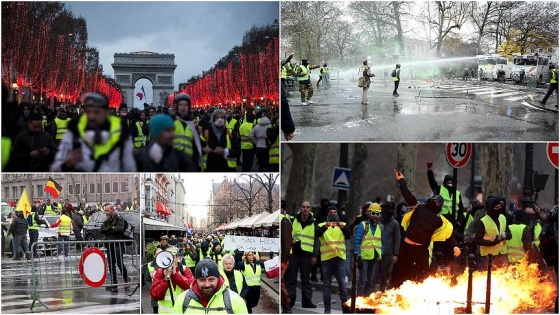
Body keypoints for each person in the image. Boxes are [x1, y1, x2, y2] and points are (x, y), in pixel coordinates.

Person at [392, 168, 460, 287]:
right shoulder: (427, 213)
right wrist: (401, 179)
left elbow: (448, 233)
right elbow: (449, 233)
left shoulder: (431, 215)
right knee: (411, 276)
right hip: (413, 248)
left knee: (416, 277)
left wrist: (401, 179)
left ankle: (411, 296)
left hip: (416, 249)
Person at [50, 92, 136, 172]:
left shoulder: (122, 133)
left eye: (96, 112)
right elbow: (55, 168)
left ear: (106, 113)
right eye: (88, 112)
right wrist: (67, 164)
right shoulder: (73, 132)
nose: (91, 116)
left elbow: (130, 169)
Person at [172, 259, 248, 314]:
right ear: (196, 280)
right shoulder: (182, 300)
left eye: (211, 280)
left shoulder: (236, 301)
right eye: (202, 280)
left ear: (218, 278)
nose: (207, 284)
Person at [285, 201, 319, 309]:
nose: (305, 209)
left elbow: (317, 240)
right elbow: (288, 234)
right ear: (301, 208)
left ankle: (307, 301)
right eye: (303, 207)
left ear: (310, 209)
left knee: (306, 279)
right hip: (294, 254)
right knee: (291, 279)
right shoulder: (294, 220)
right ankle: (290, 300)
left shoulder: (314, 223)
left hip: (307, 255)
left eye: (307, 207)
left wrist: (315, 255)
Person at [316, 206, 349, 314]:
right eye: (331, 212)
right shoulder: (322, 225)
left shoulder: (342, 226)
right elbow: (317, 234)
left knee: (342, 284)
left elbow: (348, 235)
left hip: (339, 257)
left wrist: (342, 227)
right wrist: (325, 226)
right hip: (327, 259)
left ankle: (345, 307)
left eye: (335, 211)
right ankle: (327, 309)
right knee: (327, 284)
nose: (333, 213)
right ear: (327, 214)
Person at [150, 246, 195, 314]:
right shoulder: (160, 272)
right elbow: (155, 295)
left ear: (177, 258)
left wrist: (175, 274)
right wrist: (165, 280)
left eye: (173, 257)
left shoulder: (185, 270)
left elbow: (192, 287)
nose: (171, 260)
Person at [354, 203, 383, 296]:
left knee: (371, 281)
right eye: (373, 213)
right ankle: (359, 300)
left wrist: (381, 253)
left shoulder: (380, 227)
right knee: (363, 280)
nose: (375, 216)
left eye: (377, 214)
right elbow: (357, 241)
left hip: (375, 257)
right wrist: (358, 256)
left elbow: (382, 242)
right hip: (364, 257)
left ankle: (366, 301)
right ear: (369, 213)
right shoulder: (363, 225)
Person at [474, 197, 512, 268]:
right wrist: (491, 242)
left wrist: (507, 235)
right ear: (490, 208)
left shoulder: (503, 217)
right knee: (489, 277)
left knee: (505, 276)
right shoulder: (483, 221)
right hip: (489, 257)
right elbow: (477, 240)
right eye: (496, 207)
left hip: (502, 254)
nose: (499, 209)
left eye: (500, 207)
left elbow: (508, 232)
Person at [100, 204, 130, 292]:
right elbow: (101, 230)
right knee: (111, 264)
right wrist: (111, 228)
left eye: (107, 211)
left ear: (112, 210)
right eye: (105, 211)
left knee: (120, 263)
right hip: (109, 245)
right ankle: (114, 283)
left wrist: (109, 230)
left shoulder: (119, 218)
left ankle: (126, 281)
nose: (106, 213)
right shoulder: (107, 221)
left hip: (118, 244)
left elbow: (119, 229)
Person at [172, 93, 203, 170]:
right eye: (181, 105)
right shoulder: (171, 122)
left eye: (186, 105)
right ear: (176, 107)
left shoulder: (192, 125)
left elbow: (196, 146)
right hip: (174, 161)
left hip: (188, 162)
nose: (183, 107)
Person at [378, 202, 401, 291]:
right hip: (376, 251)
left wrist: (396, 254)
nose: (386, 211)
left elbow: (397, 239)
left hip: (388, 253)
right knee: (373, 275)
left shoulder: (394, 223)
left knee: (385, 275)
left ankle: (382, 292)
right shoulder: (377, 222)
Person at [281, 200, 294, 313]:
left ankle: (287, 306)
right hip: (283, 256)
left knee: (282, 284)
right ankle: (286, 307)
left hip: (283, 258)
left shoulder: (284, 220)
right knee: (282, 283)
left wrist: (284, 260)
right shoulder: (284, 219)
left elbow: (286, 242)